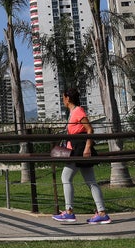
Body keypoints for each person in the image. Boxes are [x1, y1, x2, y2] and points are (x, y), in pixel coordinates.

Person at [52, 87, 111, 224]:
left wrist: (87, 148)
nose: (62, 100)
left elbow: (90, 129)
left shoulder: (78, 111)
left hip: (80, 149)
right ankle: (101, 213)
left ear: (68, 98)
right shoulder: (72, 112)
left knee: (65, 177)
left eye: (63, 97)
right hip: (76, 149)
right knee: (91, 181)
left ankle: (69, 212)